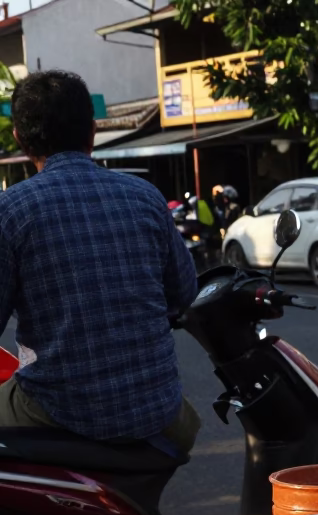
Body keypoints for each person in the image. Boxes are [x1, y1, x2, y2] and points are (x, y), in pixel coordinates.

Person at [0, 70, 200, 457]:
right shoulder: (145, 196)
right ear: (93, 132)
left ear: (20, 141)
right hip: (158, 411)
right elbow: (184, 294)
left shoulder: (11, 210)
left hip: (59, 411)